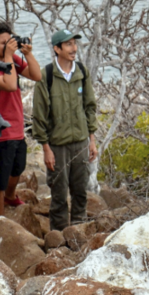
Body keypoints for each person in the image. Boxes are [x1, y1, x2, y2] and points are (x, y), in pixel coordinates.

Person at [32, 29, 98, 231]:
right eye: (68, 44)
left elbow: (89, 106)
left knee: (80, 192)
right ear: (56, 48)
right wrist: (46, 148)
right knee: (59, 195)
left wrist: (92, 140)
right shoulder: (46, 76)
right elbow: (39, 115)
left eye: (74, 44)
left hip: (80, 143)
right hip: (57, 146)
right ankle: (59, 239)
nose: (74, 48)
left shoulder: (81, 72)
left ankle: (79, 233)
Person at [0, 19, 42, 217]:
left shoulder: (12, 59)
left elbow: (37, 75)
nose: (8, 47)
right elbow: (10, 84)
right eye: (2, 43)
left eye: (9, 42)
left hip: (15, 128)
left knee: (17, 169)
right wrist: (8, 57)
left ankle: (10, 196)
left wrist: (27, 54)